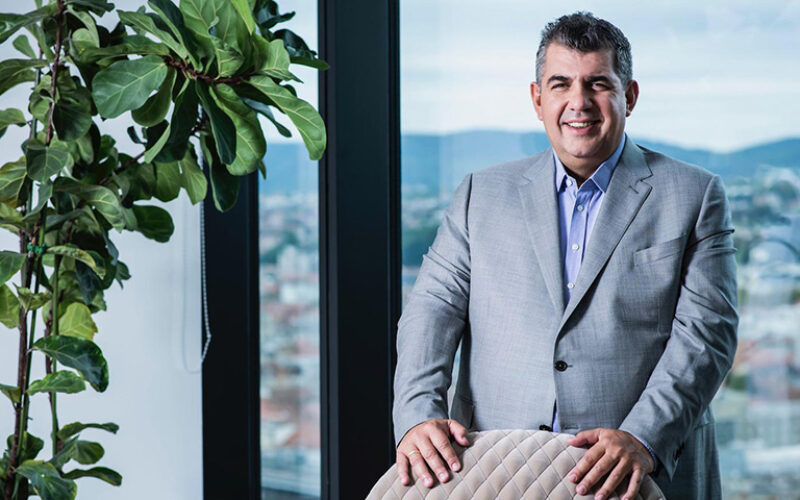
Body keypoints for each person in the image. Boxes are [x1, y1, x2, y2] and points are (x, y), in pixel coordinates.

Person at [392, 11, 738, 500]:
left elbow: (707, 333)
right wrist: (417, 414)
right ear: (538, 99)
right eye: (561, 84)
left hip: (642, 470)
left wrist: (643, 436)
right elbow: (432, 308)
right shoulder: (480, 193)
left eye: (598, 83)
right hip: (496, 469)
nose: (579, 102)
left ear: (629, 96)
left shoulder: (694, 194)